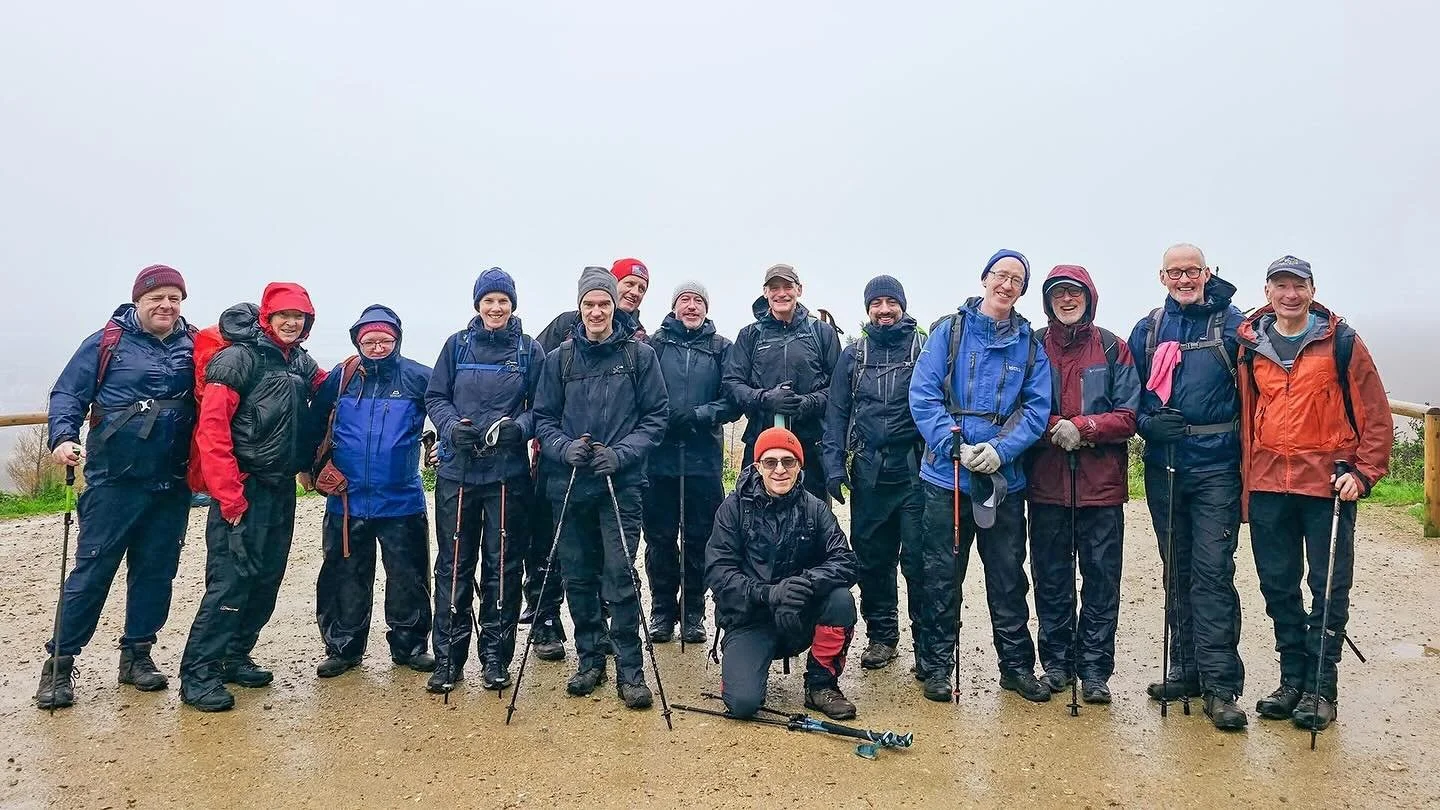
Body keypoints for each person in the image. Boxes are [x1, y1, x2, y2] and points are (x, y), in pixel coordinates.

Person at [1238, 255, 1392, 732]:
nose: (1289, 294)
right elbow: (1246, 413)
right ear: (1267, 291)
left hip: (1327, 485)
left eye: (1298, 286)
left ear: (1312, 289)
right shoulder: (1249, 345)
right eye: (1280, 285)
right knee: (1278, 587)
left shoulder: (1340, 342)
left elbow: (1375, 412)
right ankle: (1292, 681)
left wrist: (1364, 473)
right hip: (1267, 484)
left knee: (1327, 588)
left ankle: (1321, 689)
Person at [36, 265, 196, 710]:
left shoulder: (193, 343)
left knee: (156, 572)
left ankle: (137, 656)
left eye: (174, 299)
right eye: (157, 298)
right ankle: (60, 665)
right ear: (139, 301)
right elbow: (68, 393)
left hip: (171, 481)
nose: (166, 306)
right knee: (92, 571)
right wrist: (63, 436)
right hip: (114, 480)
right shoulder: (107, 342)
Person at [908, 249, 1053, 704]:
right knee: (941, 574)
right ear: (985, 278)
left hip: (1002, 481)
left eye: (1016, 280)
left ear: (1023, 290)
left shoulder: (1030, 346)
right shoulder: (948, 332)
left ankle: (1015, 667)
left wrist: (998, 449)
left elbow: (1036, 408)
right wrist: (953, 443)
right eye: (1000, 275)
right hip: (945, 478)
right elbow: (924, 392)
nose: (1006, 285)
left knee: (1008, 575)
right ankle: (935, 665)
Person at [179, 282, 326, 712]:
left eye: (299, 316)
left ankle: (234, 654)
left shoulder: (299, 360)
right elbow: (212, 431)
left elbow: (329, 385)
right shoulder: (237, 359)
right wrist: (229, 496)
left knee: (266, 578)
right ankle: (198, 673)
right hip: (242, 487)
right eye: (284, 315)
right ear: (267, 316)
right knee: (230, 580)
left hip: (280, 486)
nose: (291, 322)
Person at [533, 267, 668, 710]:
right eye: (589, 304)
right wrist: (562, 447)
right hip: (568, 483)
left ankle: (631, 669)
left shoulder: (639, 357)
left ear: (614, 307)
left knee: (619, 574)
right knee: (577, 574)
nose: (596, 311)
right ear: (580, 307)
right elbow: (543, 418)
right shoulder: (560, 360)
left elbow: (655, 418)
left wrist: (622, 454)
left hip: (621, 484)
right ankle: (591, 659)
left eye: (604, 304)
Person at [1126, 243, 1249, 730]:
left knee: (1212, 572)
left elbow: (1258, 387)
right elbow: (1128, 394)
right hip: (1165, 464)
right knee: (1176, 568)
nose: (1184, 279)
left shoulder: (1234, 324)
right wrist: (1147, 424)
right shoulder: (1149, 328)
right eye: (1175, 272)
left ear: (1207, 272)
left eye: (1192, 271)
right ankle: (1186, 669)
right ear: (1161, 277)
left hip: (1217, 466)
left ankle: (1222, 686)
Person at [424, 269, 546, 692]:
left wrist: (521, 428)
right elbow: (435, 397)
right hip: (458, 474)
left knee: (502, 568)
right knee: (453, 567)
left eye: (504, 301)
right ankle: (448, 659)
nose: (496, 308)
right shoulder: (456, 346)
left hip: (507, 476)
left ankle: (495, 657)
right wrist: (449, 426)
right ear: (477, 304)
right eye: (489, 300)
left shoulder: (530, 351)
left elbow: (543, 408)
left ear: (513, 305)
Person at [1026, 265, 1140, 705]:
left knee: (1101, 579)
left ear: (1089, 297)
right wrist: (1056, 425)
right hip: (1046, 485)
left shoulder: (1114, 348)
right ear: (1048, 301)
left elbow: (1129, 414)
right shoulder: (1032, 346)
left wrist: (1086, 427)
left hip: (1101, 489)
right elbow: (1019, 404)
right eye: (1058, 294)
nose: (1067, 300)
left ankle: (1095, 669)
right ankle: (1056, 662)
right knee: (1051, 578)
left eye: (1074, 293)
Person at [307, 305, 435, 680]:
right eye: (369, 340)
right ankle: (343, 648)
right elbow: (315, 422)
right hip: (346, 500)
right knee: (344, 575)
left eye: (385, 340)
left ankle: (410, 646)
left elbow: (445, 412)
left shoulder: (417, 376)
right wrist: (314, 468)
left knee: (409, 577)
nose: (377, 346)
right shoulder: (341, 378)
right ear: (357, 341)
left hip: (402, 499)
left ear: (397, 340)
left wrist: (436, 442)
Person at [706, 427, 859, 720]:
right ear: (757, 466)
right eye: (770, 462)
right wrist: (769, 592)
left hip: (800, 613)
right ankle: (743, 671)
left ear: (799, 466)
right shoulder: (732, 509)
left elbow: (846, 561)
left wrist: (804, 584)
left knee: (841, 600)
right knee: (743, 704)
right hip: (750, 619)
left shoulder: (815, 508)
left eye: (788, 462)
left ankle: (821, 684)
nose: (780, 470)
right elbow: (718, 573)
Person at [821, 275, 926, 672]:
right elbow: (836, 413)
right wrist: (833, 466)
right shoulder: (854, 354)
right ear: (867, 309)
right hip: (868, 471)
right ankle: (882, 637)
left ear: (902, 305)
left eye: (891, 302)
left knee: (918, 559)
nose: (884, 310)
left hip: (915, 470)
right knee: (872, 559)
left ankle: (925, 642)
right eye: (876, 303)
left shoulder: (923, 347)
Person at [641, 281, 739, 644]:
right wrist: (662, 417)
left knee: (701, 537)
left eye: (699, 300)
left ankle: (694, 612)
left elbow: (732, 399)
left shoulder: (721, 348)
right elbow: (641, 393)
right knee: (660, 538)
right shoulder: (652, 345)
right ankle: (663, 610)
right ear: (674, 307)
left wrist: (699, 414)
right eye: (685, 299)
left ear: (707, 308)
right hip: (659, 457)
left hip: (703, 456)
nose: (692, 306)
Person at [722, 263, 842, 501]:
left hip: (811, 446)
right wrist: (765, 399)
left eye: (787, 286)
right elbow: (732, 384)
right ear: (765, 292)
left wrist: (807, 402)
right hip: (760, 442)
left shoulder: (822, 333)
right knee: (754, 519)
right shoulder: (749, 335)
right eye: (774, 287)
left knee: (811, 520)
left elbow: (840, 389)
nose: (781, 293)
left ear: (799, 289)